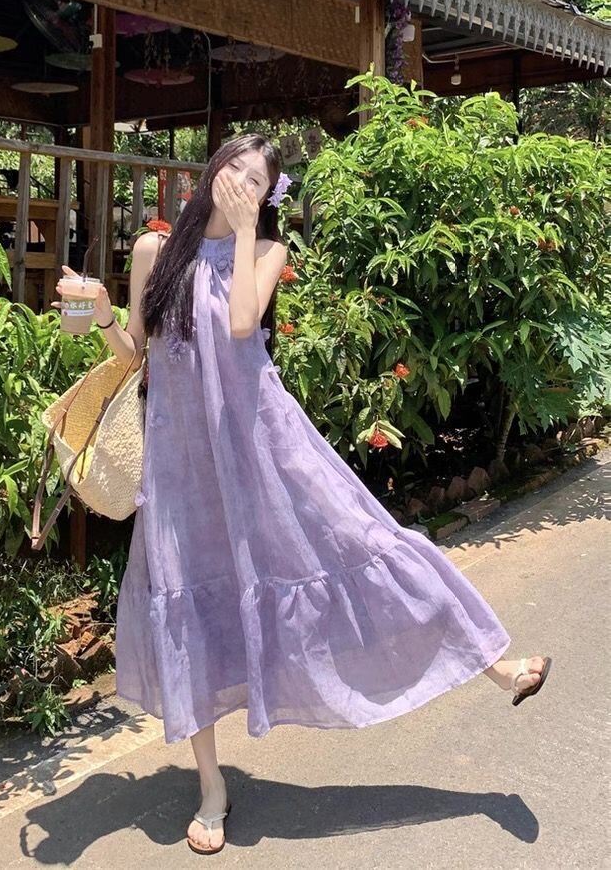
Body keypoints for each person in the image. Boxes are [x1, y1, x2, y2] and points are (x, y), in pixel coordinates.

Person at [55, 133, 552, 856]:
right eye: (234, 168)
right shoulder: (153, 250)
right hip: (182, 462)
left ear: (267, 198)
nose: (240, 183)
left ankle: (496, 664)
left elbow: (240, 324)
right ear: (212, 167)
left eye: (257, 182)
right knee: (188, 601)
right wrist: (102, 309)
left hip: (265, 444)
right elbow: (138, 351)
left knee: (366, 539)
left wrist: (246, 231)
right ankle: (211, 788)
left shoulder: (266, 250)